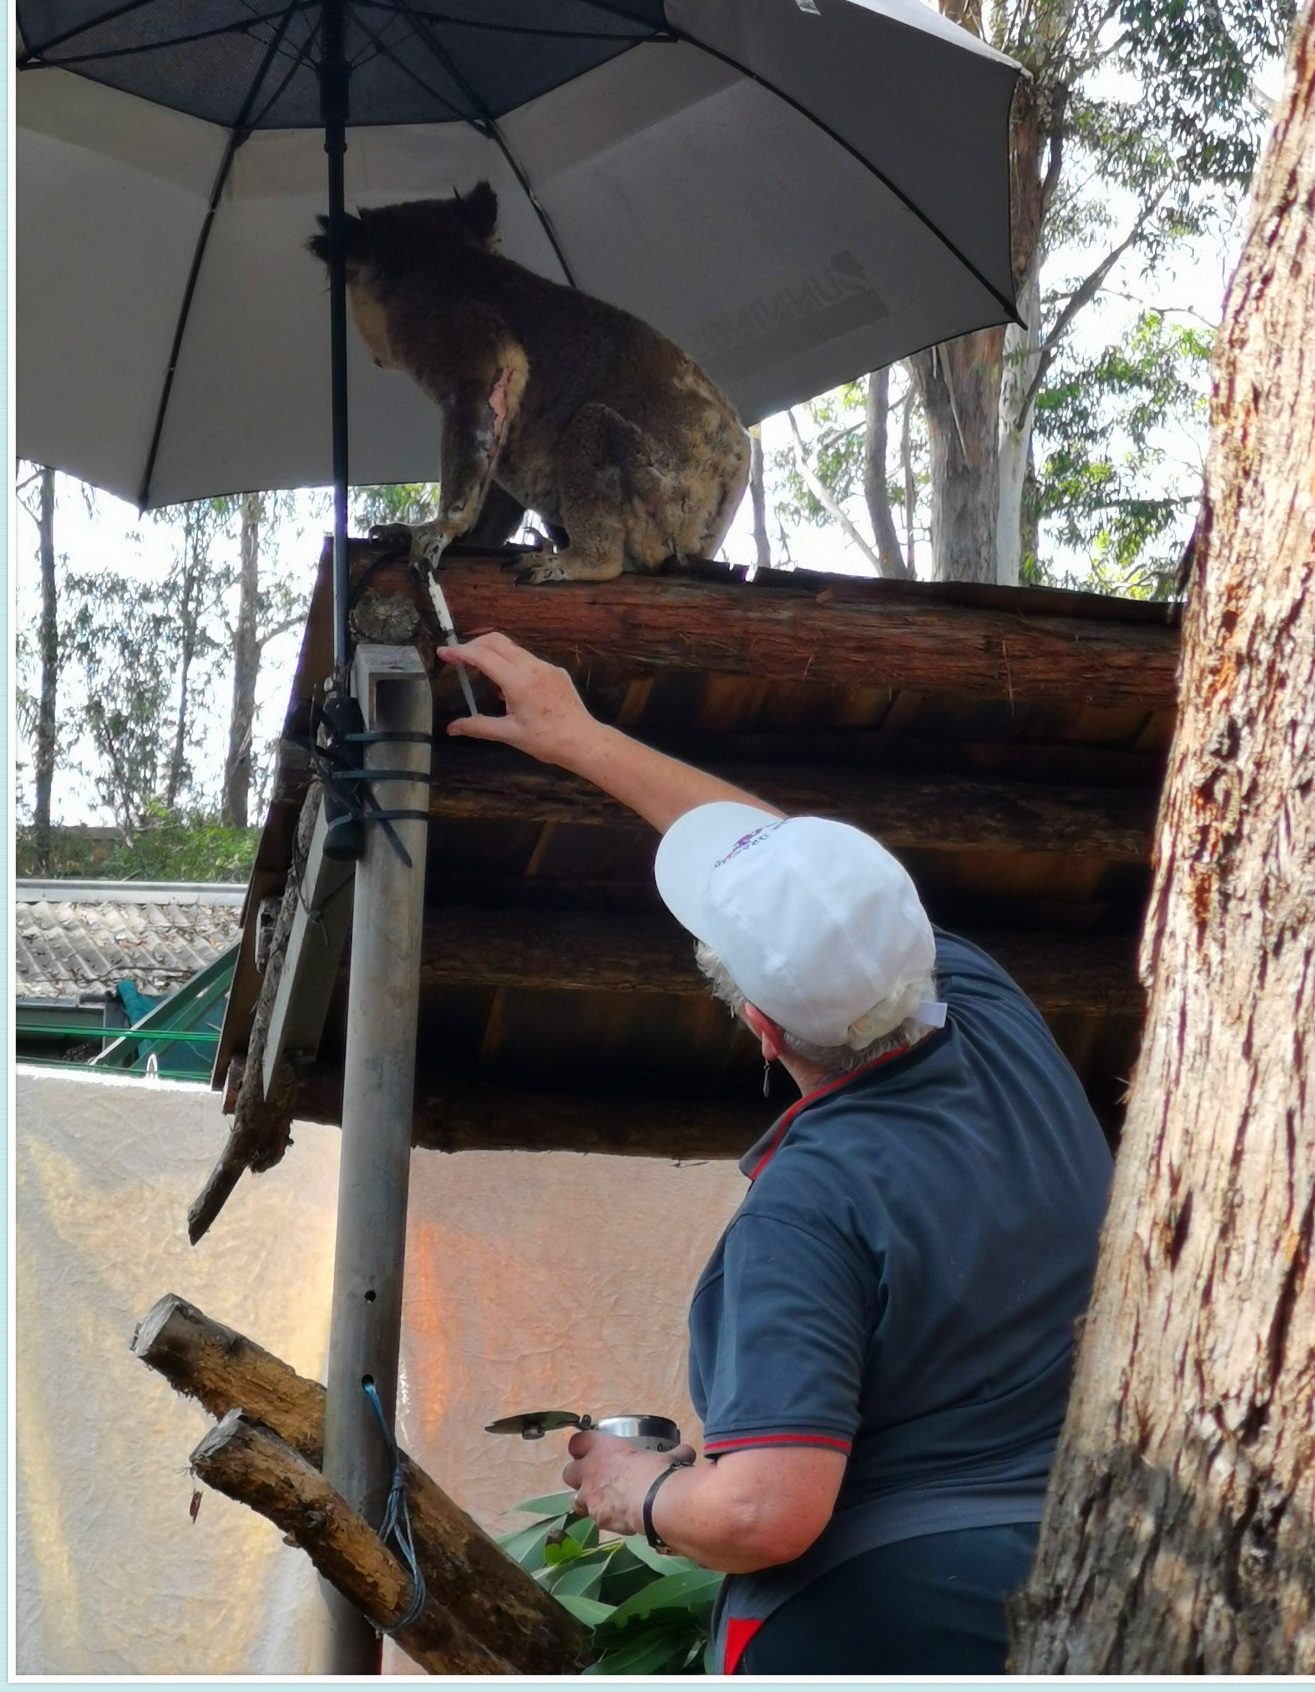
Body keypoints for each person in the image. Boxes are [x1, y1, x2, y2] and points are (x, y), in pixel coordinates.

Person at [441, 629, 1115, 1676]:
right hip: (1072, 1588)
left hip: (876, 1628)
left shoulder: (808, 1206)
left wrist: (639, 1489)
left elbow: (764, 1510)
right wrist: (579, 738)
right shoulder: (990, 1011)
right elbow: (820, 896)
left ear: (759, 1025)